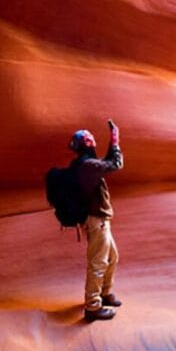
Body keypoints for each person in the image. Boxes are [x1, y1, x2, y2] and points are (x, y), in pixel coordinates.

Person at [69, 119, 124, 322]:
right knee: (98, 262)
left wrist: (113, 140)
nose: (92, 139)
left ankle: (104, 293)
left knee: (112, 257)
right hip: (96, 220)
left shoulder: (86, 164)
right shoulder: (87, 165)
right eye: (88, 138)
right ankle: (92, 306)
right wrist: (116, 142)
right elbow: (115, 164)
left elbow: (106, 164)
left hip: (99, 219)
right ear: (85, 144)